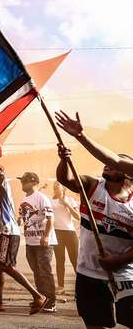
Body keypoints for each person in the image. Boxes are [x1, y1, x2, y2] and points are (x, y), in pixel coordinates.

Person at [54, 110, 133, 328]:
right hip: (89, 273)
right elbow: (66, 178)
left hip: (125, 273)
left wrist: (117, 261)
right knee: (95, 323)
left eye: (120, 166)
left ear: (128, 174)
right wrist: (67, 155)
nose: (109, 165)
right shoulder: (92, 186)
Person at [0, 163, 46, 315]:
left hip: (8, 232)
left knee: (5, 265)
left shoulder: (3, 183)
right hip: (1, 232)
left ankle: (38, 296)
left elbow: (2, 175)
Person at [18, 171, 57, 312]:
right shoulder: (24, 199)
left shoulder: (41, 198)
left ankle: (51, 301)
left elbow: (50, 218)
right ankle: (41, 298)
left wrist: (46, 236)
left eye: (25, 181)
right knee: (36, 271)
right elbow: (23, 217)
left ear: (34, 182)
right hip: (30, 241)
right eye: (22, 181)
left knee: (45, 271)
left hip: (42, 242)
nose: (22, 183)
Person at [51, 180, 80, 294]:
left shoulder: (70, 200)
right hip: (57, 233)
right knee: (60, 260)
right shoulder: (50, 201)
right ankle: (61, 286)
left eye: (58, 186)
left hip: (70, 233)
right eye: (54, 187)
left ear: (63, 189)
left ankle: (81, 285)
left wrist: (66, 204)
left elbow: (78, 217)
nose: (56, 188)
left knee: (75, 260)